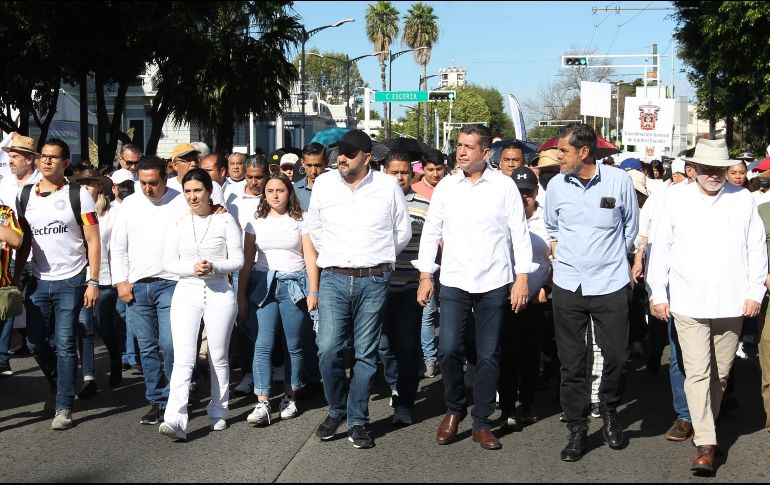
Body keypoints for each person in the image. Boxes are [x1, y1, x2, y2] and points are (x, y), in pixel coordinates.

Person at [647, 138, 767, 475]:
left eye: (719, 169)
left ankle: (704, 427)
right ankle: (707, 442)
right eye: (707, 169)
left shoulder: (741, 199)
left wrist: (754, 290)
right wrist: (658, 292)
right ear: (694, 169)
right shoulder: (676, 200)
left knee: (722, 374)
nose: (713, 175)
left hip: (732, 301)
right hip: (688, 301)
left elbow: (756, 246)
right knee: (697, 372)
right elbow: (663, 248)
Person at [415, 124, 532, 451]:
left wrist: (522, 277)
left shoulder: (504, 187)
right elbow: (431, 232)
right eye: (459, 145)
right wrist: (426, 274)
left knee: (488, 353)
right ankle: (454, 409)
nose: (461, 151)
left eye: (468, 146)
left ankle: (482, 421)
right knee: (450, 348)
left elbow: (519, 234)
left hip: (495, 281)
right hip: (453, 279)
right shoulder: (447, 187)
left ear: (485, 153)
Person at [306, 129, 411, 449]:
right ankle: (336, 409)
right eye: (339, 152)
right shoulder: (324, 184)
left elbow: (401, 232)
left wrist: (376, 258)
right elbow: (315, 228)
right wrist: (336, 257)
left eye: (349, 153)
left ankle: (358, 419)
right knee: (327, 349)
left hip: (373, 279)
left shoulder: (387, 186)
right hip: (335, 278)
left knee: (366, 353)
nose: (341, 157)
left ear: (367, 158)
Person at [544, 123, 638, 461]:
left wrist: (612, 257)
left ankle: (610, 410)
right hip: (569, 284)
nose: (558, 157)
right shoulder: (555, 185)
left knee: (616, 355)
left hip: (610, 283)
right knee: (571, 362)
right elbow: (552, 225)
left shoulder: (619, 182)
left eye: (564, 151)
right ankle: (577, 428)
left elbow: (631, 227)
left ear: (584, 152)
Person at [18, 138, 101, 431]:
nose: (47, 161)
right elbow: (25, 238)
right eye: (43, 157)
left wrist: (93, 280)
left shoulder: (79, 195)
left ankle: (64, 405)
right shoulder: (25, 195)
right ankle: (62, 380)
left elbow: (93, 240)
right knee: (34, 342)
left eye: (54, 157)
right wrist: (15, 276)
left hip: (72, 279)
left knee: (66, 343)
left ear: (66, 163)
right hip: (38, 281)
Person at [157, 169, 243, 440]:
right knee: (184, 358)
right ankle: (175, 419)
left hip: (220, 293)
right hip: (187, 293)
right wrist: (192, 269)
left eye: (198, 190)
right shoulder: (178, 223)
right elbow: (168, 262)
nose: (193, 196)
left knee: (218, 356)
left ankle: (219, 410)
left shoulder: (226, 220)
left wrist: (214, 266)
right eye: (188, 191)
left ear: (209, 192)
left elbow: (238, 260)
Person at [110, 155, 188, 426]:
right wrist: (121, 281)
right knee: (146, 348)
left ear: (165, 178)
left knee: (171, 345)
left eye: (153, 183)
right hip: (137, 286)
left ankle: (176, 395)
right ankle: (158, 401)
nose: (148, 189)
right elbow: (118, 246)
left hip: (172, 283)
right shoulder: (130, 204)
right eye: (142, 183)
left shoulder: (180, 200)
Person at [238, 174, 318, 426]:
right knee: (263, 343)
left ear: (289, 192)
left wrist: (313, 291)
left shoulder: (300, 220)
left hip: (293, 285)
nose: (274, 195)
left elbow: (310, 257)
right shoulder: (255, 222)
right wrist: (240, 295)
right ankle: (262, 401)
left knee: (293, 344)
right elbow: (247, 261)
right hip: (263, 285)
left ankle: (290, 396)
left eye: (280, 190)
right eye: (270, 190)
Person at [379, 151, 430, 425]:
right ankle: (394, 384)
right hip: (379, 285)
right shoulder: (374, 203)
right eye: (393, 172)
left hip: (411, 285)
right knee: (384, 346)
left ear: (411, 175)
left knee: (408, 345)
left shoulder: (423, 205)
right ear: (384, 172)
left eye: (404, 173)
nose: (399, 178)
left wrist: (427, 278)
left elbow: (431, 244)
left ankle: (404, 401)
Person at [498, 166, 552, 428]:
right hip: (506, 298)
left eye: (527, 192)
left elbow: (557, 258)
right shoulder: (502, 218)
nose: (523, 197)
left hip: (536, 300)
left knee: (531, 356)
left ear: (535, 193)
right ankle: (507, 406)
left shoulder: (547, 221)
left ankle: (527, 403)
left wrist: (547, 288)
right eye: (518, 192)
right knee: (508, 355)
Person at [70, 169, 125, 395]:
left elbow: (120, 247)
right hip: (81, 276)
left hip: (106, 278)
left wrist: (122, 278)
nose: (84, 187)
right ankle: (89, 378)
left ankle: (115, 359)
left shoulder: (112, 213)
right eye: (81, 183)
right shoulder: (74, 211)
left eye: (89, 183)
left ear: (99, 187)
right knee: (85, 328)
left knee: (104, 326)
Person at [225, 154, 269, 394]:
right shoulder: (231, 197)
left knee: (268, 322)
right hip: (240, 267)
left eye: (258, 177)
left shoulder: (275, 193)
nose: (254, 182)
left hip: (267, 267)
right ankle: (248, 373)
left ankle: (276, 367)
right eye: (250, 177)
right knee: (243, 321)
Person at [0, 134, 41, 376]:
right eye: (8, 156)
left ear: (29, 159)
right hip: (9, 257)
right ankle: (2, 357)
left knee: (37, 309)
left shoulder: (41, 184)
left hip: (39, 257)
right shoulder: (4, 184)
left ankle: (43, 347)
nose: (10, 161)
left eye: (14, 156)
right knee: (7, 304)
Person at [410, 149, 445, 378]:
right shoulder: (415, 192)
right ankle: (429, 357)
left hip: (451, 260)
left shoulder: (453, 188)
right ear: (423, 169)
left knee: (448, 311)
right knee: (428, 311)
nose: (435, 174)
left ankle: (450, 354)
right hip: (427, 263)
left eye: (439, 169)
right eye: (430, 169)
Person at [293, 143, 326, 212]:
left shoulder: (337, 188)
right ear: (302, 163)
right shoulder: (294, 190)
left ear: (326, 162)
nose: (313, 171)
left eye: (318, 165)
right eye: (309, 165)